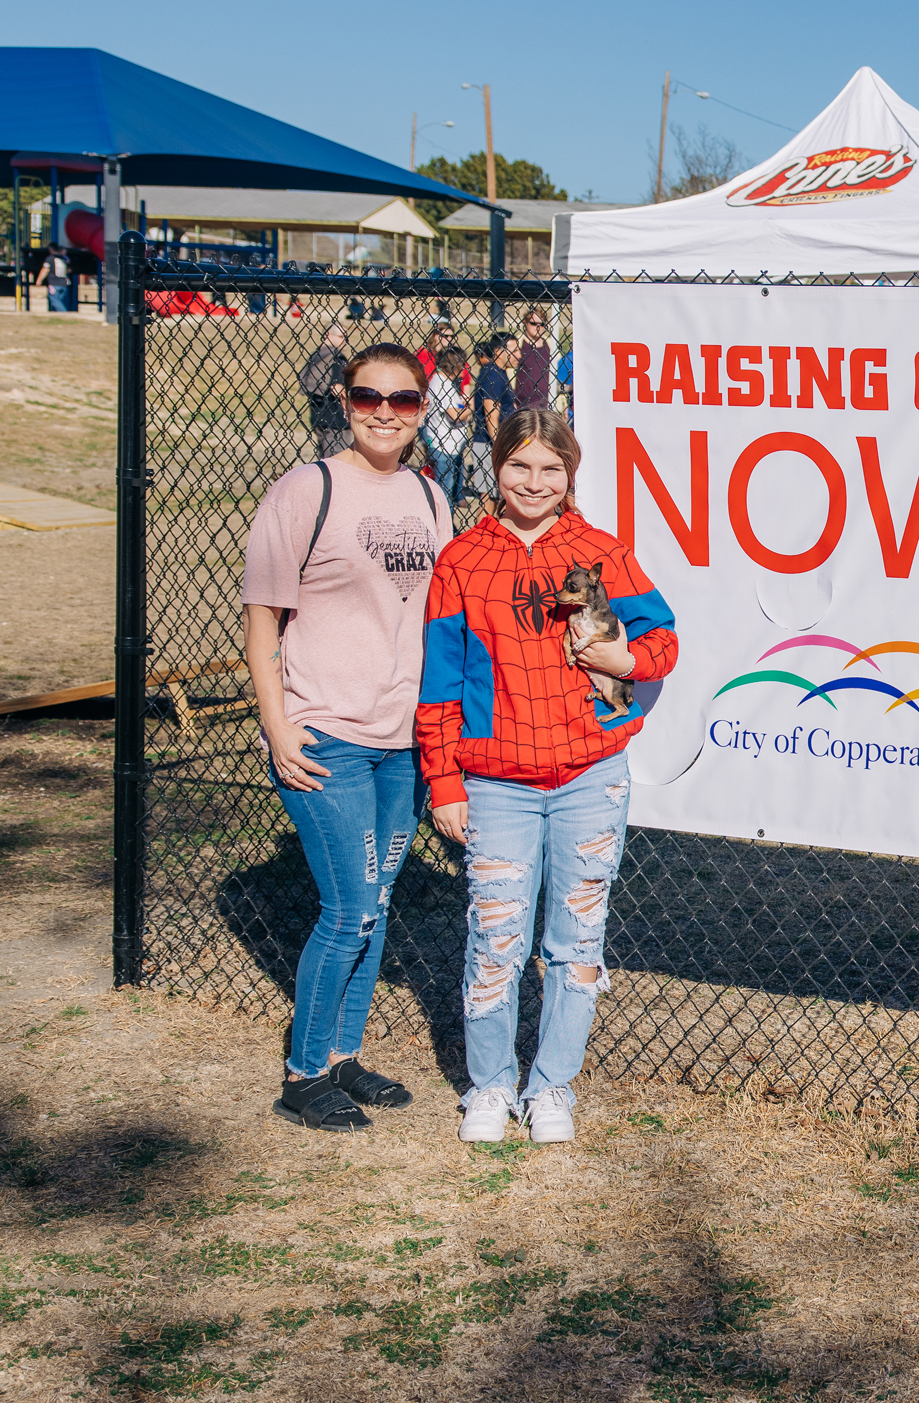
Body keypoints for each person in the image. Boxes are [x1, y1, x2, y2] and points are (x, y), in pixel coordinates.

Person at [418, 410, 680, 1144]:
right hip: (496, 780)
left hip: (588, 777)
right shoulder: (462, 560)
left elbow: (662, 638)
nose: (534, 484)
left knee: (577, 941)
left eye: (550, 470)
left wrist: (620, 664)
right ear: (496, 469)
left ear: (571, 474)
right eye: (519, 467)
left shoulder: (599, 552)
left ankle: (553, 1086)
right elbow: (439, 681)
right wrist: (443, 780)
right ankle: (490, 1086)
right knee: (496, 938)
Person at [241, 342, 450, 1132]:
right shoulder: (307, 490)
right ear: (345, 401)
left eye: (402, 400)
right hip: (325, 732)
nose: (385, 414)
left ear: (424, 407)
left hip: (402, 740)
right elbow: (263, 618)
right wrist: (276, 723)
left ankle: (342, 1057)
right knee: (348, 907)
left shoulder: (432, 498)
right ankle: (302, 1074)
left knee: (380, 902)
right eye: (370, 398)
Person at [469, 333, 519, 497]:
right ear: (499, 352)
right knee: (488, 499)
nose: (519, 355)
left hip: (494, 445)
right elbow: (492, 418)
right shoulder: (493, 376)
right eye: (515, 350)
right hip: (489, 445)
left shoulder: (499, 373)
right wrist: (502, 449)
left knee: (496, 499)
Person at [422, 347, 473, 507]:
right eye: (462, 365)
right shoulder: (442, 384)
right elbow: (454, 415)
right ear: (455, 366)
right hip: (445, 446)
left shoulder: (443, 382)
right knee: (444, 493)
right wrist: (471, 407)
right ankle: (445, 529)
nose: (465, 369)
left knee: (446, 489)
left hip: (448, 444)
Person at [300, 324, 351, 458]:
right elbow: (337, 387)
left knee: (323, 458)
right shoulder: (337, 358)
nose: (345, 340)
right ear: (328, 335)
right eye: (341, 336)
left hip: (317, 415)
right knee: (338, 460)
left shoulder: (316, 356)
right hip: (337, 418)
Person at [515, 311, 553, 410]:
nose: (537, 327)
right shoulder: (518, 345)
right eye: (533, 323)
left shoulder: (551, 345)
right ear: (525, 323)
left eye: (542, 324)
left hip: (546, 404)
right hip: (521, 404)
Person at [36, 244, 77, 313]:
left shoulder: (50, 259)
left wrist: (39, 280)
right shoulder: (65, 259)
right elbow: (69, 270)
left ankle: (64, 314)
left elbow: (45, 270)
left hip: (54, 284)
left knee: (55, 301)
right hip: (64, 284)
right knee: (59, 301)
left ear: (51, 249)